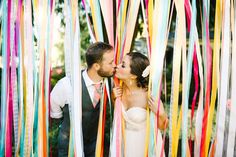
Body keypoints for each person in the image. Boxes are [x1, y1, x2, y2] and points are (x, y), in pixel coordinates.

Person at [50, 42, 116, 157]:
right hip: (70, 147)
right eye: (110, 63)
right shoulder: (67, 85)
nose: (115, 65)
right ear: (96, 66)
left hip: (96, 147)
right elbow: (56, 114)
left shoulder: (110, 83)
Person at [112, 52, 168, 157]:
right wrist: (114, 98)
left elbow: (163, 126)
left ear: (133, 76)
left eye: (123, 65)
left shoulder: (149, 95)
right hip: (122, 145)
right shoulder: (117, 88)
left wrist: (160, 113)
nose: (117, 66)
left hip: (142, 147)